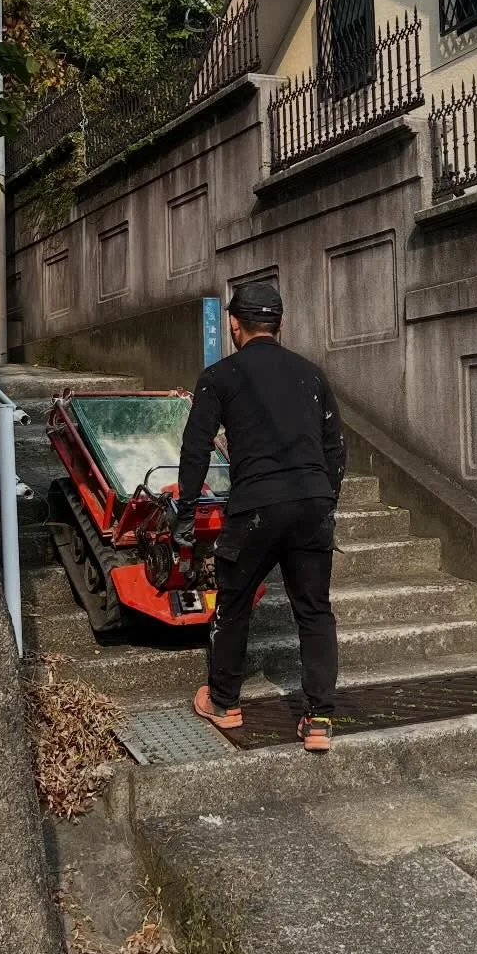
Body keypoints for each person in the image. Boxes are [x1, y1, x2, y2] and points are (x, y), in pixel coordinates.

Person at [174, 279, 346, 753]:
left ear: (233, 323)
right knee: (314, 610)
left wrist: (186, 507)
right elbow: (335, 447)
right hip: (312, 501)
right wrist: (325, 501)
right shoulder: (311, 375)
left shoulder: (220, 376)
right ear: (281, 323)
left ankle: (225, 701)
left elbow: (195, 445)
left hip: (255, 508)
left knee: (234, 604)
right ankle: (319, 720)